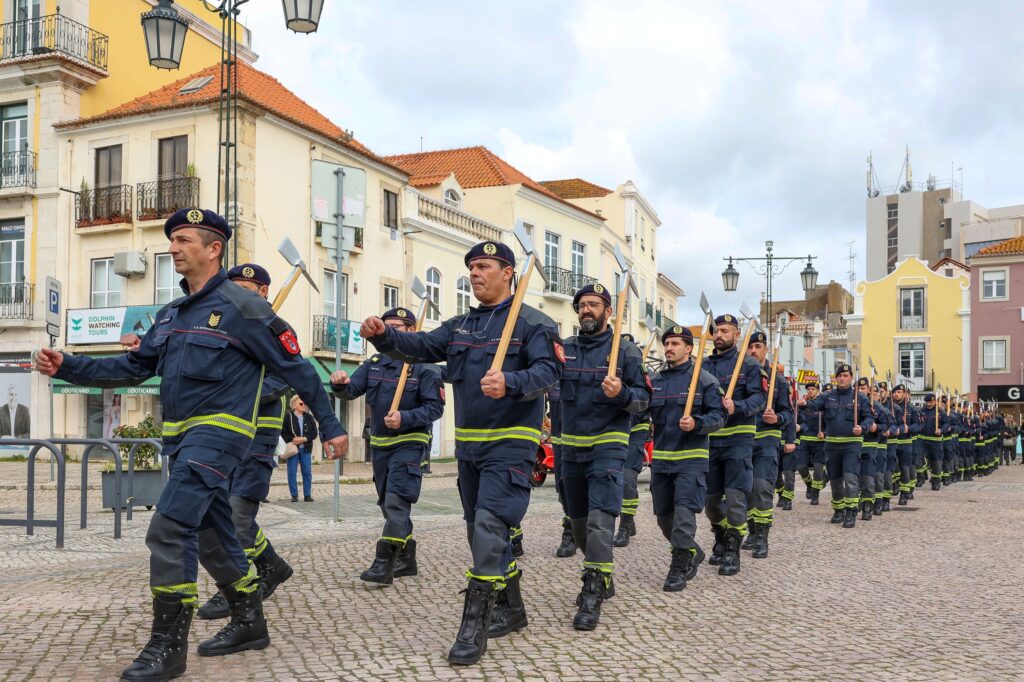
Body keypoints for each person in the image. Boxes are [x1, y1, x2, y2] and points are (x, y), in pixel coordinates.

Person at [35, 208, 347, 682]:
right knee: (208, 531)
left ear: (213, 247)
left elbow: (299, 370)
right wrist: (68, 366)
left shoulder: (246, 308)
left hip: (222, 435)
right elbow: (135, 367)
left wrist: (332, 426)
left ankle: (167, 647)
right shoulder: (173, 313)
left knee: (169, 527)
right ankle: (249, 620)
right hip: (180, 438)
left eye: (182, 239)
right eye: (172, 240)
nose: (173, 247)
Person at [359, 240, 561, 666]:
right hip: (470, 446)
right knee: (477, 530)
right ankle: (513, 607)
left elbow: (551, 372)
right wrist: (385, 336)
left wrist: (512, 381)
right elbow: (420, 348)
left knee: (489, 525)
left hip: (511, 442)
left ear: (508, 272)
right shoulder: (461, 325)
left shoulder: (533, 322)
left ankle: (475, 625)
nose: (474, 273)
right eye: (471, 267)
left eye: (483, 266)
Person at [196, 263, 294, 621]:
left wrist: (239, 390)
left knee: (238, 518)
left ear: (264, 291)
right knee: (224, 515)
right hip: (225, 438)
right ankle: (271, 565)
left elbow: (284, 379)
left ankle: (236, 587)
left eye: (247, 288)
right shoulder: (226, 328)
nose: (239, 293)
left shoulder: (275, 330)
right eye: (234, 286)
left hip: (258, 440)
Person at [557, 283, 651, 630]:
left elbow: (643, 400)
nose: (586, 310)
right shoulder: (563, 350)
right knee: (579, 525)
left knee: (599, 522)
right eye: (582, 305)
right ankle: (601, 568)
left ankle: (593, 587)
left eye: (594, 304)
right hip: (570, 448)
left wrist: (622, 392)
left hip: (608, 446)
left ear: (609, 311)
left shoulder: (624, 352)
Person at [330, 306, 445, 585]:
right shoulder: (375, 363)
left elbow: (435, 408)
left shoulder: (424, 366)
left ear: (411, 331)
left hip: (410, 443)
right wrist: (340, 384)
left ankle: (384, 563)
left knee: (397, 501)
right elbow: (351, 391)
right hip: (380, 446)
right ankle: (406, 557)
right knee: (386, 503)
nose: (391, 330)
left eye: (398, 326)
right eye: (387, 325)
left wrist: (405, 417)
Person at [648, 325, 725, 591]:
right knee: (664, 517)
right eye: (666, 344)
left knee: (683, 514)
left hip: (691, 460)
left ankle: (679, 565)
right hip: (661, 460)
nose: (669, 348)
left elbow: (720, 416)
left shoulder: (703, 380)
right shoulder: (656, 381)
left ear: (689, 349)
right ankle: (691, 550)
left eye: (675, 344)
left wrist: (697, 422)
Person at [702, 314, 766, 575]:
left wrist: (736, 406)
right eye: (716, 331)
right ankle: (720, 534)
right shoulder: (702, 366)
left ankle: (732, 548)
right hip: (709, 440)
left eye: (725, 331)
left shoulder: (749, 365)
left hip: (738, 439)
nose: (719, 335)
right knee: (710, 500)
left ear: (737, 334)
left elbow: (759, 399)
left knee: (737, 498)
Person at [800, 364, 874, 528]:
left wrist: (862, 427)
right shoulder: (828, 396)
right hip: (832, 445)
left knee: (850, 478)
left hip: (852, 444)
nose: (842, 378)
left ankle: (851, 511)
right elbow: (814, 405)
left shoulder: (860, 398)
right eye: (839, 376)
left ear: (851, 378)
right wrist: (803, 404)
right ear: (835, 378)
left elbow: (869, 418)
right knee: (835, 480)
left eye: (846, 375)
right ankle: (838, 510)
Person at [743, 331, 792, 558]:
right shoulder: (739, 376)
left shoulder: (778, 380)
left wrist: (778, 418)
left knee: (762, 487)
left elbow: (789, 413)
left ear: (766, 350)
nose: (754, 351)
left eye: (758, 346)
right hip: (742, 438)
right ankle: (751, 530)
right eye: (750, 347)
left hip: (766, 439)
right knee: (745, 490)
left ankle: (762, 536)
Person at [614, 333, 650, 549]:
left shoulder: (642, 372)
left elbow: (648, 399)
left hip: (636, 428)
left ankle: (626, 522)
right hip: (612, 430)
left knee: (627, 477)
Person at [794, 381, 826, 505]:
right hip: (805, 440)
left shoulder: (822, 405)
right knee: (801, 466)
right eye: (808, 389)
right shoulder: (802, 405)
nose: (810, 391)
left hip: (819, 441)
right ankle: (809, 484)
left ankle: (815, 494)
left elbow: (829, 421)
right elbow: (799, 420)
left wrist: (824, 432)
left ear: (817, 390)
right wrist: (799, 427)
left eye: (813, 389)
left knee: (818, 470)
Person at [281, 395, 318, 502]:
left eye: (305, 403)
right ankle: (294, 495)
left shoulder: (309, 417)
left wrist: (305, 439)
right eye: (301, 404)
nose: (304, 405)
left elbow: (314, 433)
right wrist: (292, 439)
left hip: (306, 449)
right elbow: (283, 432)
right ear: (294, 405)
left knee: (307, 471)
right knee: (292, 472)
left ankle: (307, 495)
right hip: (293, 449)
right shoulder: (288, 417)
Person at [918, 394, 947, 492]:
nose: (929, 404)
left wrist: (941, 430)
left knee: (936, 463)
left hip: (935, 441)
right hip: (922, 440)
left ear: (935, 402)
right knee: (918, 459)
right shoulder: (922, 411)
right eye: (927, 402)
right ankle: (921, 476)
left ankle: (936, 481)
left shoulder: (940, 412)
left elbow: (946, 423)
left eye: (931, 402)